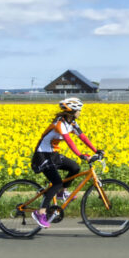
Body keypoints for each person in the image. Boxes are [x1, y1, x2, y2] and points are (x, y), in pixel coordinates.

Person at [29, 97, 101, 228]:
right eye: (78, 109)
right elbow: (69, 141)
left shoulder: (72, 123)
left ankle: (62, 192)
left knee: (74, 167)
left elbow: (82, 137)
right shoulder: (59, 123)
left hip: (53, 154)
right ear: (72, 111)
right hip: (42, 155)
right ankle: (40, 213)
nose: (80, 112)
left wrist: (96, 150)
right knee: (56, 183)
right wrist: (81, 155)